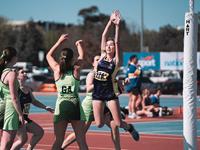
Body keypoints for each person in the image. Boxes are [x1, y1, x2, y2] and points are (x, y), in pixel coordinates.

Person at [92, 10, 139, 141]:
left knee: (118, 124)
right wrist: (109, 21)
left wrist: (117, 26)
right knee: (99, 124)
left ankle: (129, 127)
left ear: (114, 48)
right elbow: (103, 35)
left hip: (109, 94)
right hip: (97, 94)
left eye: (110, 45)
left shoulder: (116, 62)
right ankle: (108, 115)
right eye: (107, 45)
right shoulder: (101, 56)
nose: (108, 47)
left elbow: (117, 42)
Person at [62, 55, 123, 150]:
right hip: (90, 104)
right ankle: (61, 147)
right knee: (81, 132)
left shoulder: (107, 74)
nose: (99, 61)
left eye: (101, 60)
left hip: (102, 103)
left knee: (114, 125)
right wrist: (99, 82)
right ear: (93, 63)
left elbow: (112, 91)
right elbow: (88, 88)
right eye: (97, 60)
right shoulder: (92, 74)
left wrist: (119, 87)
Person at [46, 34, 88, 150]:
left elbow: (48, 55)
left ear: (61, 58)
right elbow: (82, 56)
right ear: (72, 59)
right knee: (81, 141)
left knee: (58, 141)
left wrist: (58, 42)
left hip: (61, 107)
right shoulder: (76, 70)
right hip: (75, 107)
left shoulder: (57, 70)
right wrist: (79, 45)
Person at [10, 69, 54, 150]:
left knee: (39, 132)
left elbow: (34, 101)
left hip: (25, 118)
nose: (25, 73)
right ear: (17, 76)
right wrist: (20, 116)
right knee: (22, 140)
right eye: (22, 72)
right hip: (17, 117)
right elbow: (12, 103)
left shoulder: (28, 89)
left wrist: (45, 107)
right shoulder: (15, 89)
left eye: (25, 72)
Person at [0, 47, 25, 150]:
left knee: (4, 141)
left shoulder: (3, 72)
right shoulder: (12, 73)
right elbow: (14, 97)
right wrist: (20, 114)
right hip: (10, 108)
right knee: (7, 143)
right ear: (14, 58)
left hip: (2, 105)